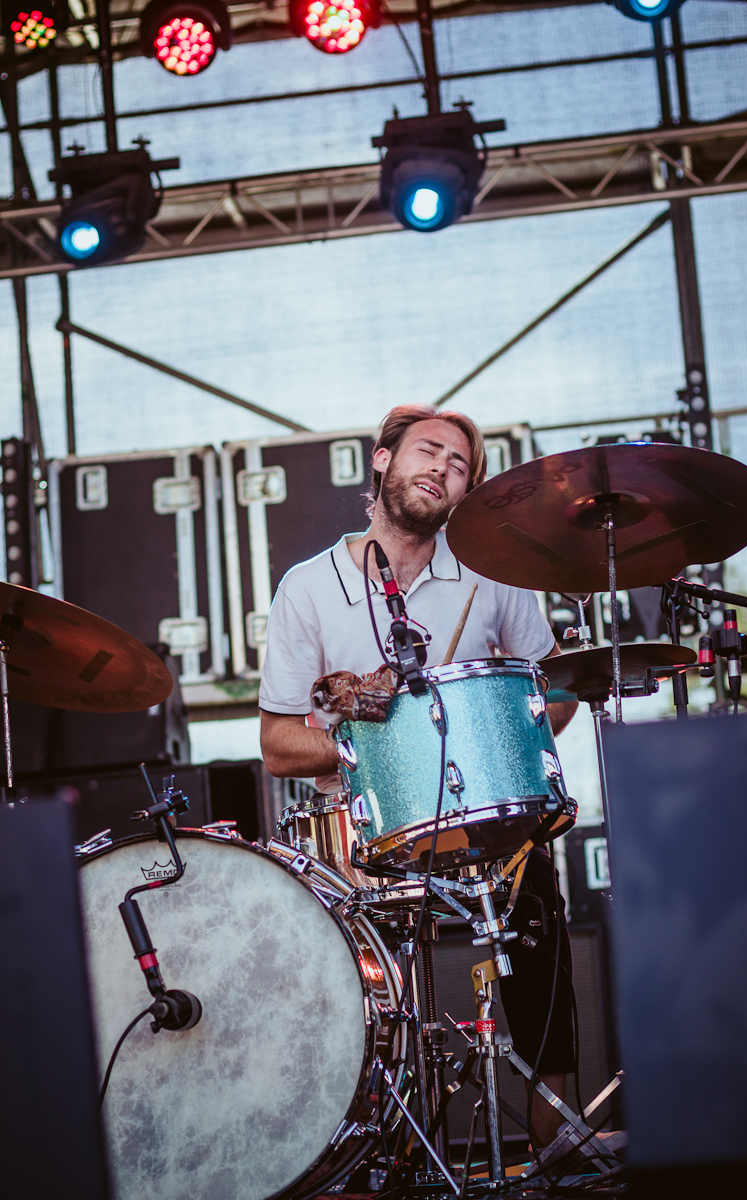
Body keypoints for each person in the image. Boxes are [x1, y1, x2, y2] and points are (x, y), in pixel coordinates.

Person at [259, 404, 578, 1148]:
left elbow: (555, 692)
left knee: (536, 895)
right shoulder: (308, 587)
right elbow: (277, 745)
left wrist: (493, 734)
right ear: (382, 460)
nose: (442, 467)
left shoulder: (493, 575)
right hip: (366, 830)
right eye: (429, 450)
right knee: (351, 975)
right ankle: (376, 1146)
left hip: (482, 818)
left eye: (460, 464)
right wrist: (372, 738)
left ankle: (554, 1141)